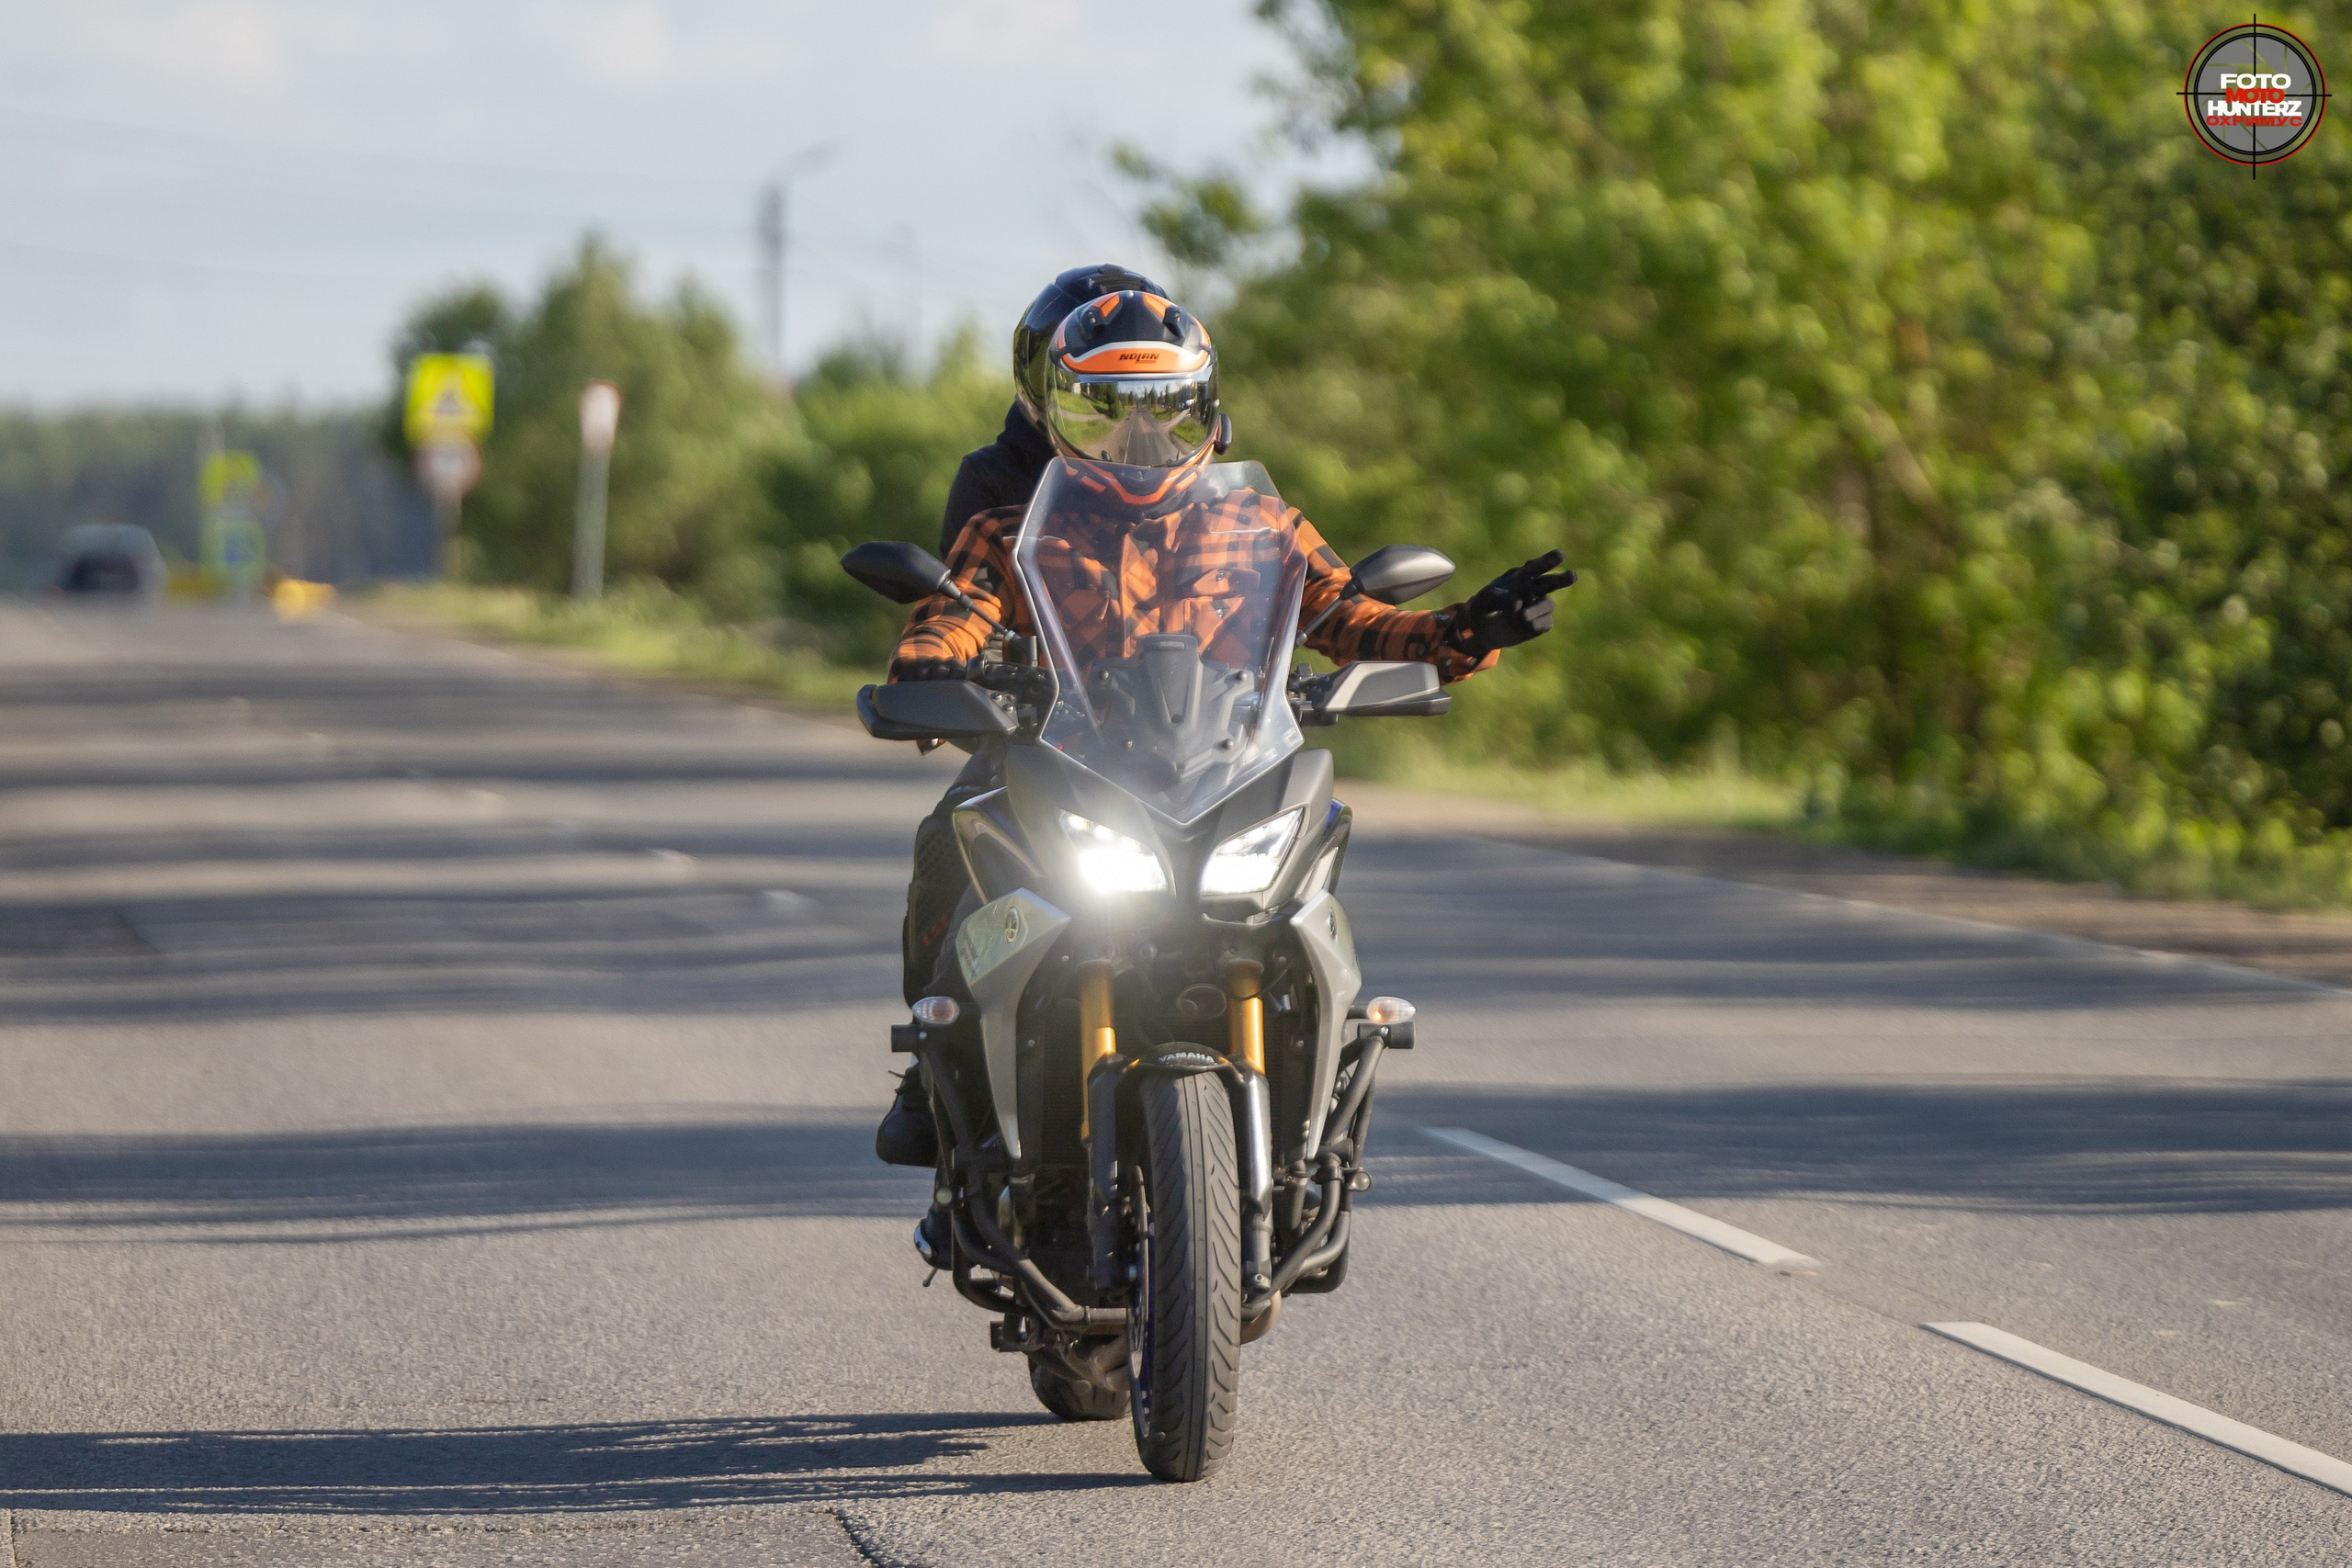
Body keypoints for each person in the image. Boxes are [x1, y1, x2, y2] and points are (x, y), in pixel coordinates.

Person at [876, 288, 1574, 1172]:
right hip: (1072, 764)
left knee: (1307, 902)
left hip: (1223, 769)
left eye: (1164, 413)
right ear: (1052, 418)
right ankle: (938, 1074)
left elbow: (1351, 618)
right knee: (962, 855)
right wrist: (931, 661)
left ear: (1207, 414)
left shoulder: (1263, 527)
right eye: (1104, 414)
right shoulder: (1012, 533)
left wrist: (1469, 629)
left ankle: (1313, 1127)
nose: (1137, 442)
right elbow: (958, 612)